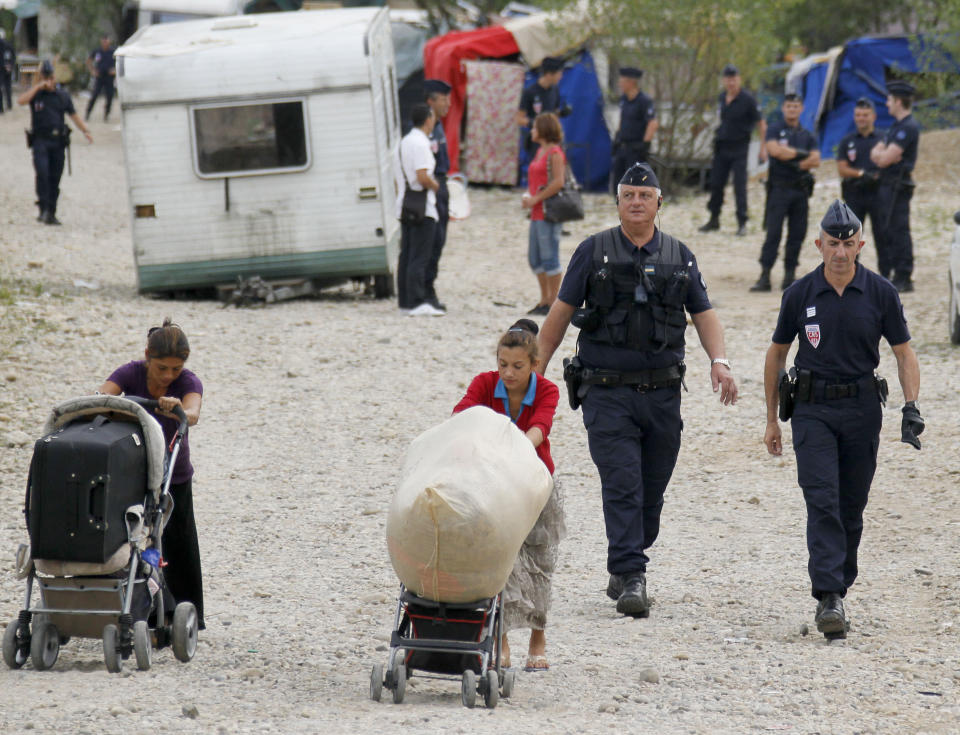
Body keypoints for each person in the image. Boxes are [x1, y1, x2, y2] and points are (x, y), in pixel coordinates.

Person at [538, 162, 738, 617]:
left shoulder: (679, 255)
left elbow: (704, 314)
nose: (636, 202)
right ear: (618, 202)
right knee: (622, 482)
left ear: (658, 202)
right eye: (628, 195)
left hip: (663, 393)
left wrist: (719, 362)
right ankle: (632, 574)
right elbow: (560, 314)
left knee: (652, 490)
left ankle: (628, 555)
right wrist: (535, 372)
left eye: (644, 196)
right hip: (606, 392)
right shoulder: (592, 252)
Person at [762, 201, 922, 640]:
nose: (840, 252)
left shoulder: (881, 293)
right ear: (819, 245)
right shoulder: (799, 294)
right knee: (822, 500)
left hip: (862, 409)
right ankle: (829, 595)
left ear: (860, 245)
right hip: (812, 409)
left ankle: (839, 583)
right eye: (832, 244)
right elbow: (777, 354)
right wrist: (772, 419)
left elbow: (903, 352)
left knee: (851, 507)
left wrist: (911, 406)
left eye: (848, 244)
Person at [453, 319, 564, 671]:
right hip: (492, 482)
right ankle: (499, 639)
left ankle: (538, 637)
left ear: (534, 364)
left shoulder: (548, 390)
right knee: (499, 559)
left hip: (534, 480)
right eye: (502, 365)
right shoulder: (484, 384)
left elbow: (540, 429)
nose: (508, 373)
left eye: (517, 366)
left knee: (540, 560)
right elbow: (462, 413)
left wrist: (505, 445)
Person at [99, 318, 207, 631]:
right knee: (131, 538)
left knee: (178, 542)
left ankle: (185, 615)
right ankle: (132, 606)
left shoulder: (189, 383)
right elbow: (99, 396)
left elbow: (193, 413)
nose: (169, 375)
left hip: (173, 475)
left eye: (176, 368)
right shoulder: (129, 373)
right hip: (132, 471)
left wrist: (179, 409)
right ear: (147, 355)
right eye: (162, 368)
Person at [750, 93, 820, 292]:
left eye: (795, 106)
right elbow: (775, 151)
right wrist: (801, 156)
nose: (792, 110)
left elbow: (816, 160)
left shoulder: (807, 134)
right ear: (783, 108)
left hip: (800, 191)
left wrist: (792, 157)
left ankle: (789, 276)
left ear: (801, 109)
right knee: (773, 233)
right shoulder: (774, 129)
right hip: (779, 189)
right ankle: (765, 275)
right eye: (789, 106)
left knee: (797, 234)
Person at [17, 60, 93, 225]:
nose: (49, 81)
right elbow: (21, 101)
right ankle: (43, 207)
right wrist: (37, 87)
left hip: (58, 141)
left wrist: (85, 130)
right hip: (40, 140)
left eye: (51, 77)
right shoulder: (36, 94)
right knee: (42, 173)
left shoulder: (62, 96)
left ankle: (51, 211)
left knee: (55, 178)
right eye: (45, 77)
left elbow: (74, 116)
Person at [699, 64, 767, 236]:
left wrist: (763, 148)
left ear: (739, 79)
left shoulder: (748, 100)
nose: (731, 83)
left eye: (734, 79)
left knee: (739, 186)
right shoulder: (722, 97)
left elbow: (761, 124)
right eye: (728, 79)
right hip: (722, 146)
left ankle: (742, 222)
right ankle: (714, 219)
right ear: (724, 81)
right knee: (716, 184)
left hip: (739, 148)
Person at [870, 80, 920, 292]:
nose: (887, 103)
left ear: (899, 101)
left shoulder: (907, 127)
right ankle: (894, 272)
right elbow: (875, 153)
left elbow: (883, 159)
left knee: (899, 229)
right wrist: (883, 154)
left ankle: (903, 275)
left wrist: (883, 155)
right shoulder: (896, 127)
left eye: (890, 99)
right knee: (888, 229)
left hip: (898, 185)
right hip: (887, 184)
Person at [396, 103, 443, 317]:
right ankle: (417, 300)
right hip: (423, 206)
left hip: (405, 202)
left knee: (406, 253)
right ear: (427, 120)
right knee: (420, 255)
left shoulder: (404, 141)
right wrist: (436, 186)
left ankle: (405, 300)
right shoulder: (422, 143)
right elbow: (423, 176)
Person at [522, 112, 567, 316]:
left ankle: (554, 300)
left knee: (550, 257)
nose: (532, 131)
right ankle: (544, 298)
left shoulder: (555, 153)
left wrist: (536, 198)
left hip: (548, 212)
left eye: (535, 127)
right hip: (536, 212)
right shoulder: (540, 151)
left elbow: (559, 182)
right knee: (535, 257)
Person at [836, 98, 883, 261]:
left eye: (865, 115)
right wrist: (862, 174)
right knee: (851, 238)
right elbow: (842, 169)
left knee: (883, 236)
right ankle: (852, 276)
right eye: (858, 115)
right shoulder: (847, 141)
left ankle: (887, 276)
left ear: (873, 117)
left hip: (878, 194)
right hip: (854, 194)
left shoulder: (883, 139)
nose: (861, 118)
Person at [423, 79, 452, 312]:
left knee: (440, 240)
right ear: (430, 101)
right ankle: (424, 290)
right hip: (433, 186)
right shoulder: (426, 129)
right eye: (444, 99)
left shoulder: (439, 126)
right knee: (432, 240)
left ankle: (428, 287)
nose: (448, 104)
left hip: (442, 183)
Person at [610, 67, 657, 195]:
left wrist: (645, 144)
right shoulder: (624, 100)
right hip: (622, 146)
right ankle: (620, 208)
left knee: (634, 183)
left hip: (635, 148)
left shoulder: (644, 101)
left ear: (631, 82)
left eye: (622, 81)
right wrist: (617, 139)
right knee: (618, 182)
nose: (620, 84)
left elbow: (652, 123)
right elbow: (623, 121)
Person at [516, 56, 571, 161]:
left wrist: (562, 113)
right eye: (559, 73)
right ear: (549, 74)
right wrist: (534, 123)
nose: (561, 77)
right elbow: (519, 119)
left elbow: (553, 112)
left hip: (552, 139)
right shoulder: (530, 92)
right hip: (537, 141)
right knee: (539, 168)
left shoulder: (554, 90)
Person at [85, 35, 116, 122]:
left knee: (109, 96)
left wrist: (115, 70)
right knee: (94, 95)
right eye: (103, 41)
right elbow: (88, 61)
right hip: (100, 76)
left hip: (109, 77)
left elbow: (119, 61)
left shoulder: (113, 51)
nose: (105, 43)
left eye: (106, 41)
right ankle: (88, 113)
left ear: (109, 41)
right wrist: (92, 71)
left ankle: (106, 115)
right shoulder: (97, 51)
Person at [0, 29, 15, 114]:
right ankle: (9, 105)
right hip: (7, 68)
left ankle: (1, 108)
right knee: (8, 87)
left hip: (1, 69)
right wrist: (10, 65)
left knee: (2, 88)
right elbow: (13, 56)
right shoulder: (9, 45)